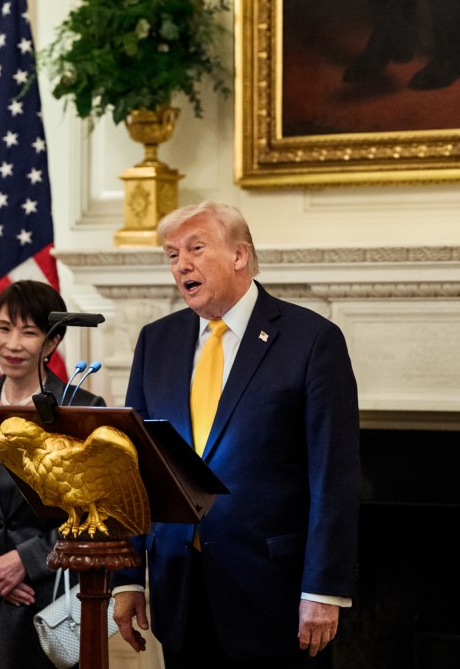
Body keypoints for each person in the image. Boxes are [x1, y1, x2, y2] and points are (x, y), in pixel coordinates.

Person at [112, 201, 360, 668]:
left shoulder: (311, 340)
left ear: (239, 256)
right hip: (180, 590)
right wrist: (128, 577)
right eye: (171, 254)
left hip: (274, 597)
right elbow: (134, 469)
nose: (181, 264)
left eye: (196, 248)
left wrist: (324, 588)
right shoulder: (155, 342)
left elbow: (335, 476)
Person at [0, 279, 105, 669]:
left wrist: (26, 560)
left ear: (51, 343)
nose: (12, 344)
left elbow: (94, 513)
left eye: (28, 332)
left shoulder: (81, 408)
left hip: (51, 598)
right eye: (3, 328)